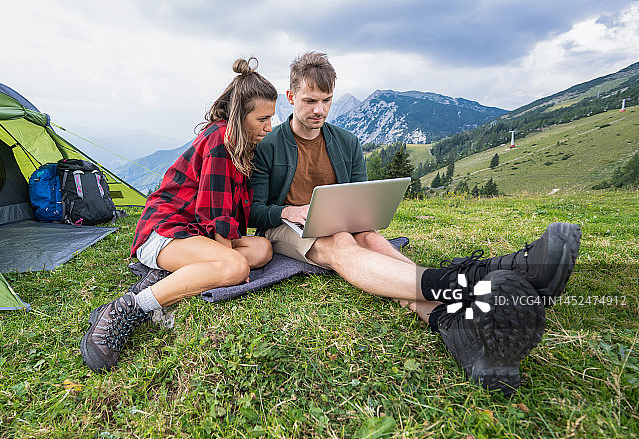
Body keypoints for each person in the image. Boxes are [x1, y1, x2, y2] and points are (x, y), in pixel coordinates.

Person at [249, 52, 581, 395]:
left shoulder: (346, 142)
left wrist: (360, 219)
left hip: (340, 222)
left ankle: (461, 332)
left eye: (327, 100)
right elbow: (253, 211)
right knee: (343, 244)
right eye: (310, 101)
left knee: (372, 239)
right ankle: (485, 276)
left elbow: (360, 199)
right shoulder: (268, 145)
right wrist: (286, 212)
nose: (319, 110)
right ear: (291, 97)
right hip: (284, 227)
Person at [81, 57, 277, 373]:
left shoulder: (237, 143)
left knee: (262, 249)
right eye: (262, 119)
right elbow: (217, 216)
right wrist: (228, 266)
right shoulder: (220, 142)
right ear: (240, 116)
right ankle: (128, 308)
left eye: (271, 118)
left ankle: (168, 275)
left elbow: (226, 218)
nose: (268, 127)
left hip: (192, 234)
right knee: (236, 266)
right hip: (162, 232)